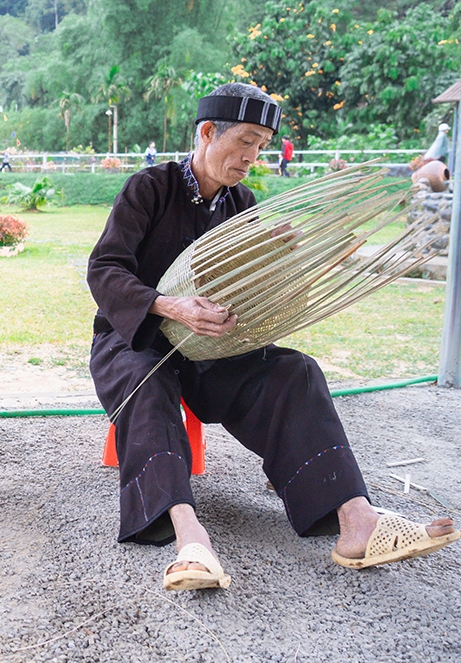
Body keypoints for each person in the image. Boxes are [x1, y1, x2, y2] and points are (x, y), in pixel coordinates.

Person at [86, 83, 457, 591]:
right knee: (145, 387)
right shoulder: (150, 187)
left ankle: (356, 519)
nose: (252, 156)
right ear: (207, 132)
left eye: (262, 145)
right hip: (137, 341)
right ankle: (189, 536)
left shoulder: (243, 202)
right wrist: (170, 305)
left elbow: (252, 286)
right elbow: (105, 270)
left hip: (212, 347)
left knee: (293, 371)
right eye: (244, 141)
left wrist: (284, 262)